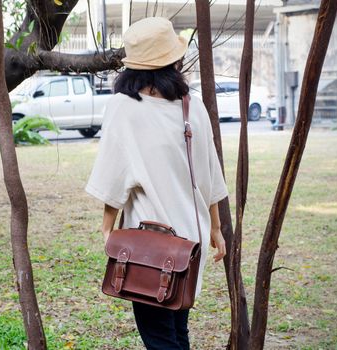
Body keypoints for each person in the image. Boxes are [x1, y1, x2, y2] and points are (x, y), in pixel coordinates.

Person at [85, 17, 228, 349]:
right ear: (172, 61)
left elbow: (114, 174)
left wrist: (107, 228)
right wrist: (216, 228)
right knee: (176, 332)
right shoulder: (192, 105)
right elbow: (210, 174)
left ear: (133, 67)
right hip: (189, 246)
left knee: (162, 340)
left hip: (151, 250)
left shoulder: (124, 107)